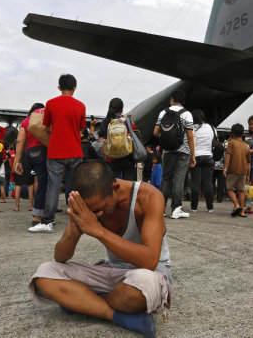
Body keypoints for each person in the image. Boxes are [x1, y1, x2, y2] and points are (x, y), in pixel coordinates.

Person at [29, 160, 171, 338]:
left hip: (150, 273)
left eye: (100, 208)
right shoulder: (88, 204)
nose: (96, 214)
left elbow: (149, 260)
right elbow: (60, 257)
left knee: (140, 290)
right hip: (114, 272)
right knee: (44, 274)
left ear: (115, 188)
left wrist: (97, 230)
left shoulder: (149, 197)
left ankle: (83, 302)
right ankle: (117, 315)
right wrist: (75, 231)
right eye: (91, 210)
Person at [30, 74, 86, 233]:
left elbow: (46, 126)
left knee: (53, 188)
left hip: (56, 152)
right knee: (75, 187)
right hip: (75, 151)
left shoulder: (51, 104)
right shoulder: (81, 106)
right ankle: (79, 220)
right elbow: (81, 128)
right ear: (75, 87)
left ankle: (48, 222)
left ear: (59, 88)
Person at [153, 90, 195, 219]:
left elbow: (155, 132)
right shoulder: (187, 114)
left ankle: (161, 208)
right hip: (183, 152)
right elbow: (190, 135)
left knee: (166, 179)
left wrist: (166, 140)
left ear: (172, 99)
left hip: (168, 151)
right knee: (179, 179)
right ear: (183, 101)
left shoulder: (163, 112)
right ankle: (176, 209)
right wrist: (193, 155)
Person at [15, 103, 50, 228]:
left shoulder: (25, 121)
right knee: (43, 184)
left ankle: (41, 210)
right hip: (43, 152)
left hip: (30, 154)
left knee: (38, 181)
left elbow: (20, 141)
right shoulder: (44, 118)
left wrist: (17, 161)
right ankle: (39, 216)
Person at [99, 98, 137, 181]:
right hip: (127, 155)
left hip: (111, 156)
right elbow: (133, 131)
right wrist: (130, 122)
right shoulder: (125, 120)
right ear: (122, 108)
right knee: (128, 184)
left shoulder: (105, 122)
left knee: (113, 184)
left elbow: (103, 135)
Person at [189, 109, 216, 213]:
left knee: (195, 182)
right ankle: (210, 207)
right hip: (209, 157)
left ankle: (194, 207)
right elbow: (214, 143)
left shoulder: (192, 128)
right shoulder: (212, 128)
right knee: (208, 183)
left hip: (196, 157)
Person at [223, 124, 251, 217]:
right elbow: (248, 162)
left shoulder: (231, 143)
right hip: (243, 171)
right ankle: (242, 211)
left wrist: (225, 167)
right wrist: (248, 175)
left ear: (232, 133)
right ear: (243, 133)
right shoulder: (246, 146)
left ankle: (236, 204)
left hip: (232, 169)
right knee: (241, 191)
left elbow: (228, 155)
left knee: (229, 189)